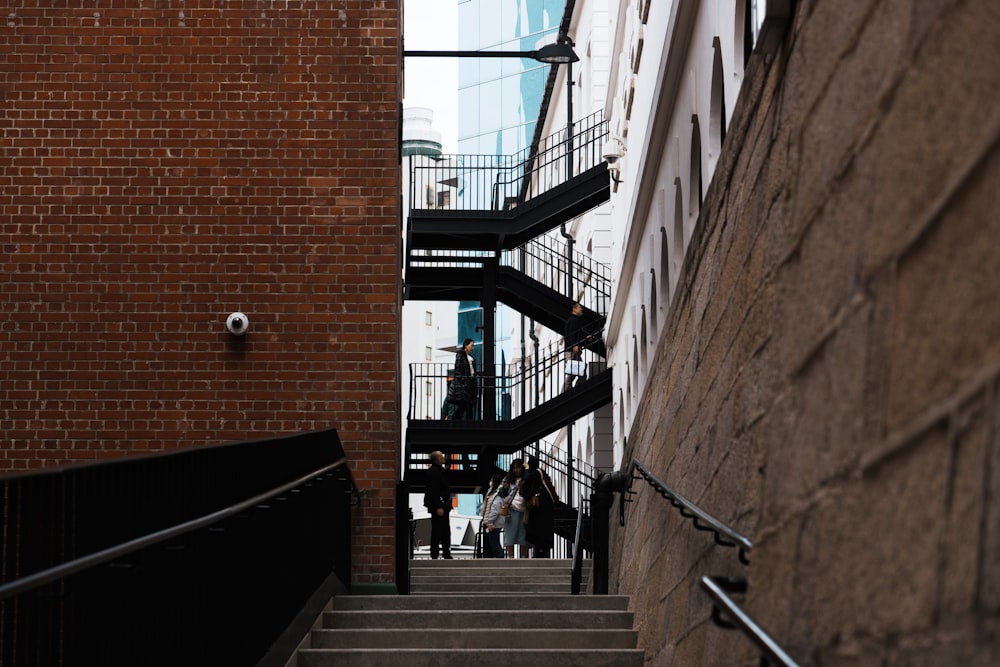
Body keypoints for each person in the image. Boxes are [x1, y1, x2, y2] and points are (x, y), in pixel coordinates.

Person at [521, 455, 558, 558]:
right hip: (545, 507)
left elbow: (530, 488)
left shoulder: (534, 474)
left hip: (539, 508)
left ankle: (539, 552)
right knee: (543, 531)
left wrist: (526, 495)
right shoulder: (540, 473)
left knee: (537, 530)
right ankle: (542, 551)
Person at [423, 450, 452, 559]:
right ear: (438, 459)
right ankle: (436, 554)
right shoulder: (434, 472)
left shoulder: (438, 471)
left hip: (442, 505)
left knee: (443, 531)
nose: (443, 457)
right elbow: (434, 490)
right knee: (438, 531)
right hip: (439, 507)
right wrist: (439, 506)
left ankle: (445, 553)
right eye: (441, 456)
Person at [501, 459, 529, 558]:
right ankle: (510, 556)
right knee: (510, 535)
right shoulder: (507, 479)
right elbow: (501, 493)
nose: (516, 470)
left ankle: (523, 556)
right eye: (514, 468)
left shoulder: (527, 478)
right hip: (511, 510)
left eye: (518, 467)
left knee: (523, 536)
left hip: (524, 510)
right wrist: (504, 488)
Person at [446, 338, 476, 419]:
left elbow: (471, 370)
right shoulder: (461, 354)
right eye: (471, 345)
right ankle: (455, 421)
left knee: (465, 406)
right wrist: (462, 379)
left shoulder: (469, 357)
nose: (472, 348)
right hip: (464, 384)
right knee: (465, 405)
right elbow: (458, 367)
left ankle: (455, 421)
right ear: (466, 345)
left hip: (468, 383)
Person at [480, 473, 507, 558]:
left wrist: (489, 521)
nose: (490, 482)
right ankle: (497, 558)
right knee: (492, 543)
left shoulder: (497, 495)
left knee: (494, 543)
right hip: (490, 522)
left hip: (493, 523)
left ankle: (500, 558)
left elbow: (495, 510)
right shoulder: (491, 492)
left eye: (491, 480)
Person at [562, 303, 586, 392]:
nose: (581, 310)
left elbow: (578, 335)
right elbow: (570, 334)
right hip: (572, 351)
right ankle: (565, 392)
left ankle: (572, 391)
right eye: (580, 308)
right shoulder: (573, 320)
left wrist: (586, 338)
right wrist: (574, 346)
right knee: (575, 373)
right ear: (574, 309)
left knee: (579, 373)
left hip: (573, 351)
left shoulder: (575, 320)